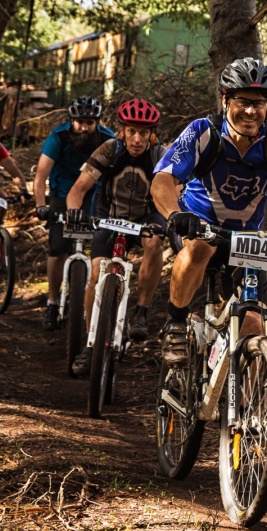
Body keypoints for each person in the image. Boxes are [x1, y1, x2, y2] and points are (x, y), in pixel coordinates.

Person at [150, 57, 267, 365]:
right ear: (226, 99)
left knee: (253, 324)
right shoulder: (203, 132)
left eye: (260, 103)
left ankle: (248, 405)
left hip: (245, 239)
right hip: (197, 227)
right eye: (243, 101)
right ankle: (175, 323)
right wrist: (175, 214)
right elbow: (163, 180)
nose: (251, 111)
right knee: (201, 247)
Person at [66, 99, 168, 375]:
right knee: (97, 273)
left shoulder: (160, 153)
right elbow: (78, 189)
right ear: (121, 131)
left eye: (144, 133)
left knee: (155, 242)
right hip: (109, 217)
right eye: (132, 131)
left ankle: (141, 313)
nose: (137, 139)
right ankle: (90, 344)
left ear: (152, 134)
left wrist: (174, 217)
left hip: (146, 217)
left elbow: (175, 191)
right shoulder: (110, 149)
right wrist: (74, 212)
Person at [33, 96, 114, 331]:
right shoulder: (59, 137)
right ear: (72, 120)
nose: (84, 127)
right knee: (58, 249)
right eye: (80, 122)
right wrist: (41, 205)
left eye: (89, 122)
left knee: (100, 246)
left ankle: (95, 302)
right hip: (62, 193)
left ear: (97, 122)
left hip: (95, 195)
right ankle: (51, 300)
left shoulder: (107, 139)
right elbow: (40, 174)